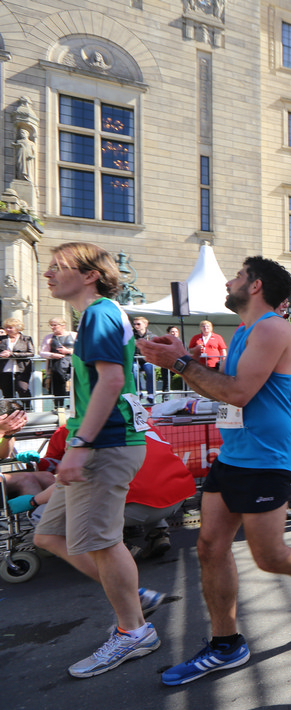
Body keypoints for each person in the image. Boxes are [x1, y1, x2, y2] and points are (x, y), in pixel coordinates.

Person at [137, 256, 291, 686]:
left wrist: (179, 363)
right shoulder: (244, 331)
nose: (228, 282)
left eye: (237, 276)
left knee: (270, 557)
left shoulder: (271, 328)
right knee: (210, 546)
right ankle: (225, 644)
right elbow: (222, 389)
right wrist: (183, 360)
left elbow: (239, 393)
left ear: (255, 286)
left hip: (266, 458)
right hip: (234, 454)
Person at [33, 242, 157, 679]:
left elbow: (112, 379)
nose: (48, 274)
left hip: (105, 444)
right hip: (97, 442)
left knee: (102, 542)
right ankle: (133, 599)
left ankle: (133, 630)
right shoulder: (97, 315)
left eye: (57, 266)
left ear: (89, 275)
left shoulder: (99, 314)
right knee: (49, 535)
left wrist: (81, 444)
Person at [36, 423, 196, 559]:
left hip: (137, 506)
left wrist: (33, 500)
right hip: (177, 498)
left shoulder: (76, 430)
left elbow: (65, 481)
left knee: (54, 513)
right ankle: (158, 533)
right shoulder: (143, 422)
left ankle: (119, 547)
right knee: (141, 486)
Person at [40, 317, 77, 410]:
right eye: (51, 325)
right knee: (58, 387)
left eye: (54, 325)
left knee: (75, 385)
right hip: (56, 365)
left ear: (63, 325)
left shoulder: (74, 335)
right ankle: (58, 407)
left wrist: (69, 351)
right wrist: (52, 355)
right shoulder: (48, 337)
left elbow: (83, 349)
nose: (52, 327)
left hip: (73, 363)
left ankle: (74, 406)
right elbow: (42, 352)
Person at [0, 318, 34, 405]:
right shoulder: (2, 339)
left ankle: (27, 407)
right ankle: (11, 409)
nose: (8, 329)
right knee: (6, 390)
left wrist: (12, 354)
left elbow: (31, 353)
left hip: (22, 367)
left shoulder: (26, 339)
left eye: (10, 327)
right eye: (6, 327)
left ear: (18, 328)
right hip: (4, 367)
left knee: (22, 388)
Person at [130, 316, 157, 403]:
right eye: (134, 324)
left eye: (138, 324)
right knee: (134, 368)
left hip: (147, 360)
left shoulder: (152, 336)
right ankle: (138, 391)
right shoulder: (131, 336)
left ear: (145, 324)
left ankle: (151, 394)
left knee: (149, 369)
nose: (136, 326)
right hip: (136, 360)